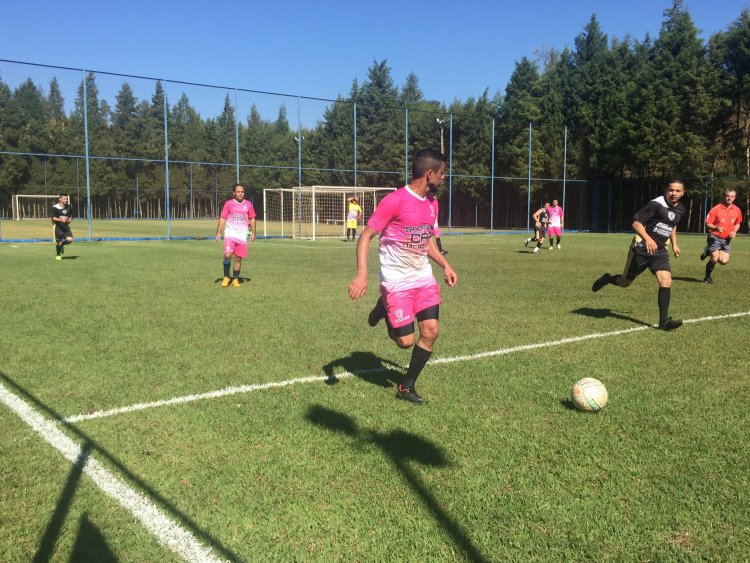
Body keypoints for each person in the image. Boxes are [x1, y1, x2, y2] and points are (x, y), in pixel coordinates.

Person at [348, 148, 458, 405]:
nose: (443, 178)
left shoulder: (433, 203)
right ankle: (384, 306)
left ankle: (406, 387)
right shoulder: (394, 201)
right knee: (405, 342)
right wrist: (361, 274)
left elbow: (426, 238)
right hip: (396, 281)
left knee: (431, 331)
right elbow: (365, 236)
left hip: (422, 278)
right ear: (429, 173)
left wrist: (445, 265)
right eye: (442, 173)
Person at [591, 180, 687, 330]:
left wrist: (674, 244)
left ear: (683, 192)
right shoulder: (656, 204)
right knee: (625, 282)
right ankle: (608, 278)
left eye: (677, 191)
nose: (673, 193)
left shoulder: (680, 209)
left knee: (666, 280)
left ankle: (664, 322)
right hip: (641, 250)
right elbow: (636, 223)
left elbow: (672, 225)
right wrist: (647, 239)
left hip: (660, 251)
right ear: (666, 190)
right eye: (671, 190)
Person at [215, 184, 256, 287]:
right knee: (227, 255)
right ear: (234, 193)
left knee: (238, 258)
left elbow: (252, 218)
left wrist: (253, 233)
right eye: (238, 192)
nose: (240, 193)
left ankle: (235, 279)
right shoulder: (228, 204)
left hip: (242, 235)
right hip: (230, 233)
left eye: (242, 192)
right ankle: (226, 277)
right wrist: (218, 232)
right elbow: (223, 218)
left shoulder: (248, 204)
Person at [700, 188, 743, 284]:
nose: (729, 198)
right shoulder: (716, 209)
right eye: (728, 196)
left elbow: (737, 224)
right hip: (714, 236)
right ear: (724, 196)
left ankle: (708, 251)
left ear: (734, 198)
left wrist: (734, 231)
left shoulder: (737, 210)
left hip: (727, 239)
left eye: (732, 196)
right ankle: (707, 277)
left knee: (723, 261)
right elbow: (707, 224)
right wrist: (716, 228)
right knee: (714, 258)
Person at [51, 193, 73, 260]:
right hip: (58, 227)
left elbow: (70, 217)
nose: (66, 200)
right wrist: (60, 219)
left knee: (70, 240)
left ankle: (61, 245)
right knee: (59, 242)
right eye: (64, 199)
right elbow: (52, 218)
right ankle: (58, 255)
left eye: (66, 199)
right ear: (60, 199)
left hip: (66, 227)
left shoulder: (69, 207)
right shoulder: (55, 207)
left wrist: (69, 219)